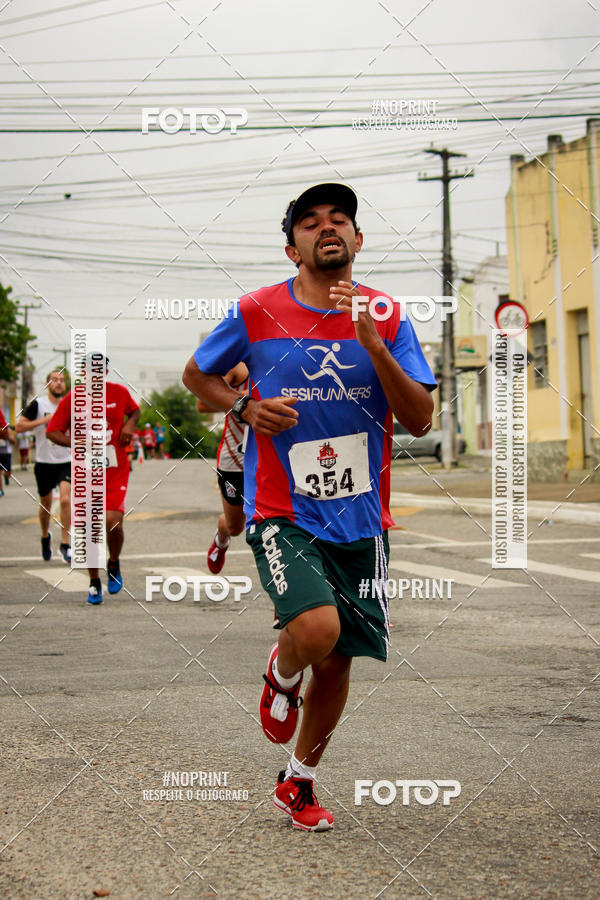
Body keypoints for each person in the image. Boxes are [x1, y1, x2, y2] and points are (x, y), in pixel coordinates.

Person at [183, 183, 437, 831]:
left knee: (340, 659)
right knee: (317, 631)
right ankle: (282, 670)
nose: (327, 227)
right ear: (291, 247)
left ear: (358, 239)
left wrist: (373, 345)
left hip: (363, 519)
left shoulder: (388, 315)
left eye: (339, 218)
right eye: (310, 222)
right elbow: (197, 377)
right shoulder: (256, 310)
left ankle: (298, 780)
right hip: (283, 510)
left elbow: (419, 419)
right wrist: (244, 406)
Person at [47, 357, 140, 604]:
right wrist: (76, 442)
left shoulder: (119, 393)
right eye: (90, 371)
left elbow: (135, 411)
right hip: (86, 474)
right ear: (83, 372)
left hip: (115, 470)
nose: (95, 375)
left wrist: (129, 426)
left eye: (100, 371)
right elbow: (52, 431)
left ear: (106, 371)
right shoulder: (72, 399)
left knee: (113, 522)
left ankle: (113, 562)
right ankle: (94, 580)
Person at [16, 370, 72, 562]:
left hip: (65, 459)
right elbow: (19, 426)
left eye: (62, 380)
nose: (59, 383)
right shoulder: (38, 405)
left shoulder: (70, 404)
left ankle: (65, 544)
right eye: (55, 380)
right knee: (46, 504)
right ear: (48, 384)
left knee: (65, 499)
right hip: (43, 461)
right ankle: (45, 536)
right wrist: (44, 421)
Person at [197, 362, 249, 574]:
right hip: (236, 460)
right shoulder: (237, 368)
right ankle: (221, 540)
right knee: (235, 527)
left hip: (273, 457)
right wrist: (246, 399)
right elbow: (203, 404)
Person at [0, 411, 16, 496]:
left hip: (7, 453)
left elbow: (13, 441)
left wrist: (8, 438)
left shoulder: (7, 430)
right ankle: (1, 490)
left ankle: (7, 476)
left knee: (8, 472)